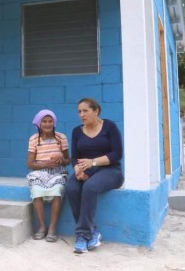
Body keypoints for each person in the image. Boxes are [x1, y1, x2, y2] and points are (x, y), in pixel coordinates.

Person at [65, 97, 124, 254]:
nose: (81, 115)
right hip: (86, 170)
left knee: (90, 187)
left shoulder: (109, 126)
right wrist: (77, 169)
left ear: (96, 111)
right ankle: (92, 233)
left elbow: (117, 154)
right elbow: (74, 157)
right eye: (79, 111)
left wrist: (93, 162)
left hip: (111, 171)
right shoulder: (77, 131)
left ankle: (82, 235)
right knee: (71, 188)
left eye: (85, 111)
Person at [26, 109, 70, 242]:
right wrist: (46, 164)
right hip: (40, 171)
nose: (47, 124)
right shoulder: (34, 139)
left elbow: (68, 160)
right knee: (36, 190)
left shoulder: (61, 137)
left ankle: (52, 229)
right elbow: (30, 163)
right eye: (44, 121)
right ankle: (42, 227)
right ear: (39, 123)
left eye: (50, 121)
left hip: (57, 172)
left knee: (57, 190)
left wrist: (61, 159)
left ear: (54, 122)